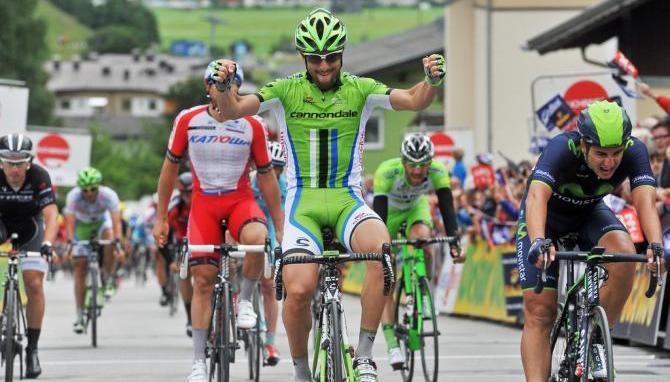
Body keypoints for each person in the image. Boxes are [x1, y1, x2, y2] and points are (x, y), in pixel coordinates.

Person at [209, 8, 446, 381]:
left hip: (346, 200)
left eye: (331, 56)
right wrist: (224, 89)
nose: (324, 65)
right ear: (304, 57)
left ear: (342, 55)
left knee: (381, 251)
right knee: (300, 289)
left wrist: (431, 80)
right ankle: (302, 371)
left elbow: (416, 100)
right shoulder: (285, 90)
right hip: (303, 203)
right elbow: (233, 110)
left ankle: (366, 354)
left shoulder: (361, 89)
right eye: (316, 57)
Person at [153, 61, 283, 382]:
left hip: (239, 200)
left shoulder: (253, 124)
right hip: (204, 204)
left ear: (239, 88)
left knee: (257, 236)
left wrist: (279, 223)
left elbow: (266, 177)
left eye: (234, 84)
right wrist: (161, 218)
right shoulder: (187, 120)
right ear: (207, 88)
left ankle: (246, 302)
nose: (227, 89)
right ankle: (198, 360)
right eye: (218, 84)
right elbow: (169, 169)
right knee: (202, 280)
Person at [516, 100, 666, 381]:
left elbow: (645, 199)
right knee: (539, 311)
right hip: (545, 217)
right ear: (583, 145)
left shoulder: (636, 151)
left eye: (616, 153)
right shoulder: (562, 147)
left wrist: (656, 246)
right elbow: (536, 196)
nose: (609, 162)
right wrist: (538, 240)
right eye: (600, 154)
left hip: (587, 213)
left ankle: (597, 338)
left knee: (623, 252)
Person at [372, 133, 462, 369]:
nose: (417, 171)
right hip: (388, 214)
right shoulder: (386, 172)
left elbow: (447, 209)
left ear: (430, 163)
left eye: (423, 165)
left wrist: (454, 240)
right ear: (403, 162)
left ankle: (423, 289)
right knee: (385, 274)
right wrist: (383, 249)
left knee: (423, 239)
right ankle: (392, 344)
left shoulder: (439, 172)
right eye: (412, 164)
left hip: (415, 208)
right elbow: (379, 219)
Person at [0, 134, 58, 378]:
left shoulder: (39, 177)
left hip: (30, 229)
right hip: (1, 226)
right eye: (9, 162)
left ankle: (32, 349)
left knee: (34, 284)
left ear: (29, 161)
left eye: (20, 162)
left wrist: (47, 243)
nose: (14, 168)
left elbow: (51, 213)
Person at [64, 167, 125, 334]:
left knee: (110, 238)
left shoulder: (109, 195)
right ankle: (79, 317)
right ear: (80, 189)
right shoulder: (73, 197)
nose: (89, 193)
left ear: (99, 186)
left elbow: (116, 221)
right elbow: (69, 223)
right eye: (85, 190)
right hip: (81, 227)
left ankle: (106, 278)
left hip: (101, 224)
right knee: (79, 269)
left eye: (93, 189)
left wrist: (118, 242)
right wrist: (70, 243)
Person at [251, 141, 287, 366]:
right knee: (234, 256)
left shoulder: (282, 184)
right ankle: (234, 296)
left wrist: (282, 245)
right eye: (271, 167)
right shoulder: (249, 180)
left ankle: (270, 342)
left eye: (279, 168)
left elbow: (280, 219)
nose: (274, 172)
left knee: (269, 285)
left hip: (271, 225)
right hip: (250, 220)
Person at [162, 171, 195, 337]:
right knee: (185, 274)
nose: (189, 197)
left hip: (201, 239)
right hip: (182, 242)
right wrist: (170, 262)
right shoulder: (175, 208)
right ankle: (190, 318)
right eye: (185, 194)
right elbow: (163, 238)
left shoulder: (203, 202)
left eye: (192, 193)